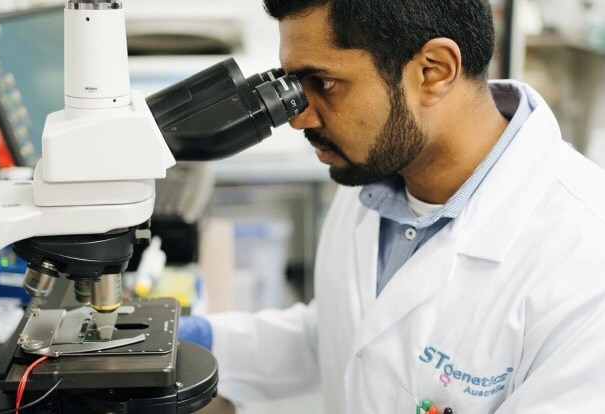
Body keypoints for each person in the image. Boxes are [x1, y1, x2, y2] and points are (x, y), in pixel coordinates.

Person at [181, 1, 605, 413]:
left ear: (434, 71)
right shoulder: (373, 173)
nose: (299, 118)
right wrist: (190, 345)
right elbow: (342, 338)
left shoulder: (585, 259)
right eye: (294, 85)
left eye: (324, 84)